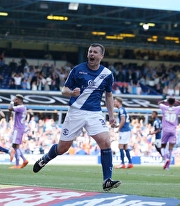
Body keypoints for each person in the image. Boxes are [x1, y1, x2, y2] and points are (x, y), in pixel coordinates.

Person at [33, 43, 121, 191]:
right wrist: (71, 92)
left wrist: (111, 116)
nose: (91, 54)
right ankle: (46, 158)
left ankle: (107, 180)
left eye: (95, 52)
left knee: (106, 142)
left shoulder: (107, 74)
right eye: (89, 52)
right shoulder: (78, 70)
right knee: (62, 148)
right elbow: (64, 90)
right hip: (76, 112)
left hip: (95, 113)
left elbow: (109, 95)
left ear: (101, 56)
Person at [158, 97, 180, 170]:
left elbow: (159, 103)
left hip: (165, 130)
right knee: (170, 149)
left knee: (162, 146)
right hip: (173, 130)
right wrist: (178, 101)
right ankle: (168, 166)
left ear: (168, 102)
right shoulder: (177, 109)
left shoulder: (164, 107)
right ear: (174, 102)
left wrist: (165, 101)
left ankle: (166, 159)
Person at [8, 94, 29, 169]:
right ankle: (21, 162)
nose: (15, 100)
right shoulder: (23, 107)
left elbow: (10, 108)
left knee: (15, 146)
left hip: (18, 128)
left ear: (19, 100)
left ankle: (21, 162)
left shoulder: (20, 107)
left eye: (16, 99)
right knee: (15, 146)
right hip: (20, 128)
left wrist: (11, 101)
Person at [114, 97, 133, 169]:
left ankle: (122, 163)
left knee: (120, 146)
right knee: (125, 147)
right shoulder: (123, 109)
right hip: (127, 130)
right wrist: (118, 125)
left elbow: (123, 120)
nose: (114, 103)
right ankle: (130, 162)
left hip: (124, 130)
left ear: (119, 102)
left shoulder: (121, 110)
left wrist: (118, 129)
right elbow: (123, 121)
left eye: (115, 101)